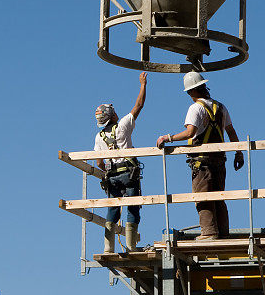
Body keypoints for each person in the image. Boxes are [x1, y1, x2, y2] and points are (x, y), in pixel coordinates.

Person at [156, 70, 244, 240]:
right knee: (219, 197)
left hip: (202, 162)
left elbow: (190, 132)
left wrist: (168, 138)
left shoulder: (196, 108)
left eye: (189, 92)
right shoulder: (221, 107)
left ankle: (209, 233)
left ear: (192, 91)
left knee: (202, 197)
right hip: (219, 160)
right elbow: (231, 131)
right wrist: (239, 153)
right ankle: (223, 233)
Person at [94, 72, 147, 253]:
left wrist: (107, 171)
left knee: (112, 210)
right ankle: (131, 247)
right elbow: (139, 105)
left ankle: (108, 247)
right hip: (129, 175)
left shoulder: (99, 137)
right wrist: (143, 84)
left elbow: (99, 162)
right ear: (112, 116)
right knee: (132, 208)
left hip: (112, 176)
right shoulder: (123, 126)